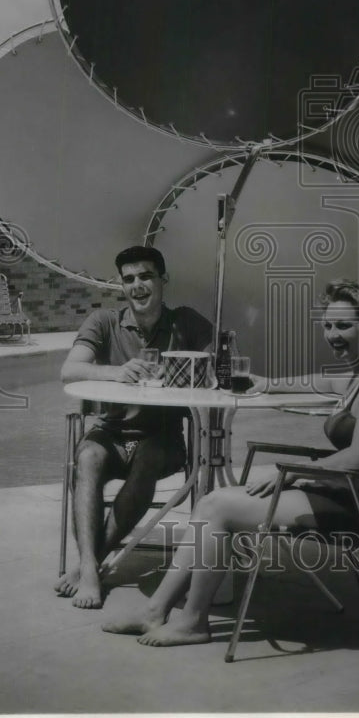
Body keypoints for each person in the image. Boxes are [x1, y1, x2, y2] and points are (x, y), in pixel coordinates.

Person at [103, 278, 359, 647]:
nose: (332, 334)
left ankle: (192, 621)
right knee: (213, 503)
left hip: (348, 506)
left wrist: (289, 478)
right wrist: (266, 383)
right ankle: (157, 611)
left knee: (216, 507)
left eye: (344, 325)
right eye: (327, 325)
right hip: (334, 491)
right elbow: (315, 383)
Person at [55, 245, 212, 609]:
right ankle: (92, 570)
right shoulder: (104, 321)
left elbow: (222, 362)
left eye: (146, 276)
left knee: (149, 455)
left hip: (163, 438)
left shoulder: (185, 321)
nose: (138, 285)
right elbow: (69, 369)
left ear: (163, 280)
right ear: (122, 286)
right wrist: (115, 371)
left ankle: (89, 564)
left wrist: (187, 371)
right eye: (129, 279)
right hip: (111, 434)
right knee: (89, 455)